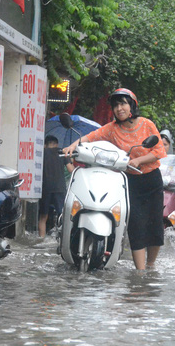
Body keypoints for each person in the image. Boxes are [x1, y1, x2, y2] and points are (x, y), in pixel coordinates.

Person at [62, 88, 167, 270]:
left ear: (132, 106)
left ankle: (150, 266)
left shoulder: (146, 124)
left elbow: (159, 151)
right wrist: (71, 146)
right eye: (116, 105)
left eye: (123, 103)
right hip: (128, 182)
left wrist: (138, 160)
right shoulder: (111, 129)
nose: (119, 108)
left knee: (155, 227)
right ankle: (140, 273)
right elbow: (90, 137)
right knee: (135, 226)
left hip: (151, 180)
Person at [39, 135, 74, 237]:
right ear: (57, 144)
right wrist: (71, 161)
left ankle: (41, 240)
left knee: (43, 217)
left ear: (45, 145)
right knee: (62, 216)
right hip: (59, 188)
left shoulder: (42, 153)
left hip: (45, 188)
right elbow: (71, 169)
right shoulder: (62, 153)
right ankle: (62, 239)